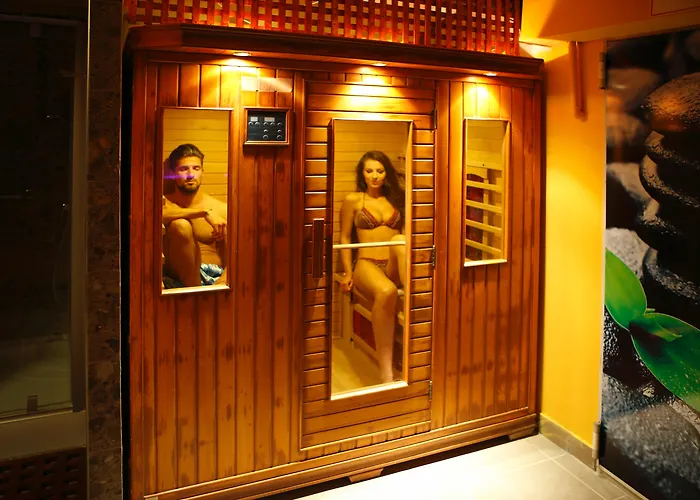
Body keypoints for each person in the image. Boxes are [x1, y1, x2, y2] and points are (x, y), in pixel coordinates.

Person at [337, 151, 406, 384]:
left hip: (394, 264)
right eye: (369, 171)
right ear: (362, 174)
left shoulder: (397, 200)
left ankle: (415, 298)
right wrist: (348, 272)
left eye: (380, 171)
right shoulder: (354, 200)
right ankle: (386, 372)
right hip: (367, 263)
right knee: (386, 291)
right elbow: (345, 237)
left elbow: (407, 235)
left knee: (400, 240)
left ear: (387, 174)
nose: (375, 176)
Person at [162, 143, 228, 289]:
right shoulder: (165, 204)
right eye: (183, 169)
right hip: (179, 280)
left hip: (215, 279)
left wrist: (224, 280)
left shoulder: (221, 209)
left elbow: (239, 251)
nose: (190, 174)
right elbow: (157, 215)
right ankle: (195, 292)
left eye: (196, 168)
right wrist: (204, 212)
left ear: (202, 172)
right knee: (181, 225)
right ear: (172, 173)